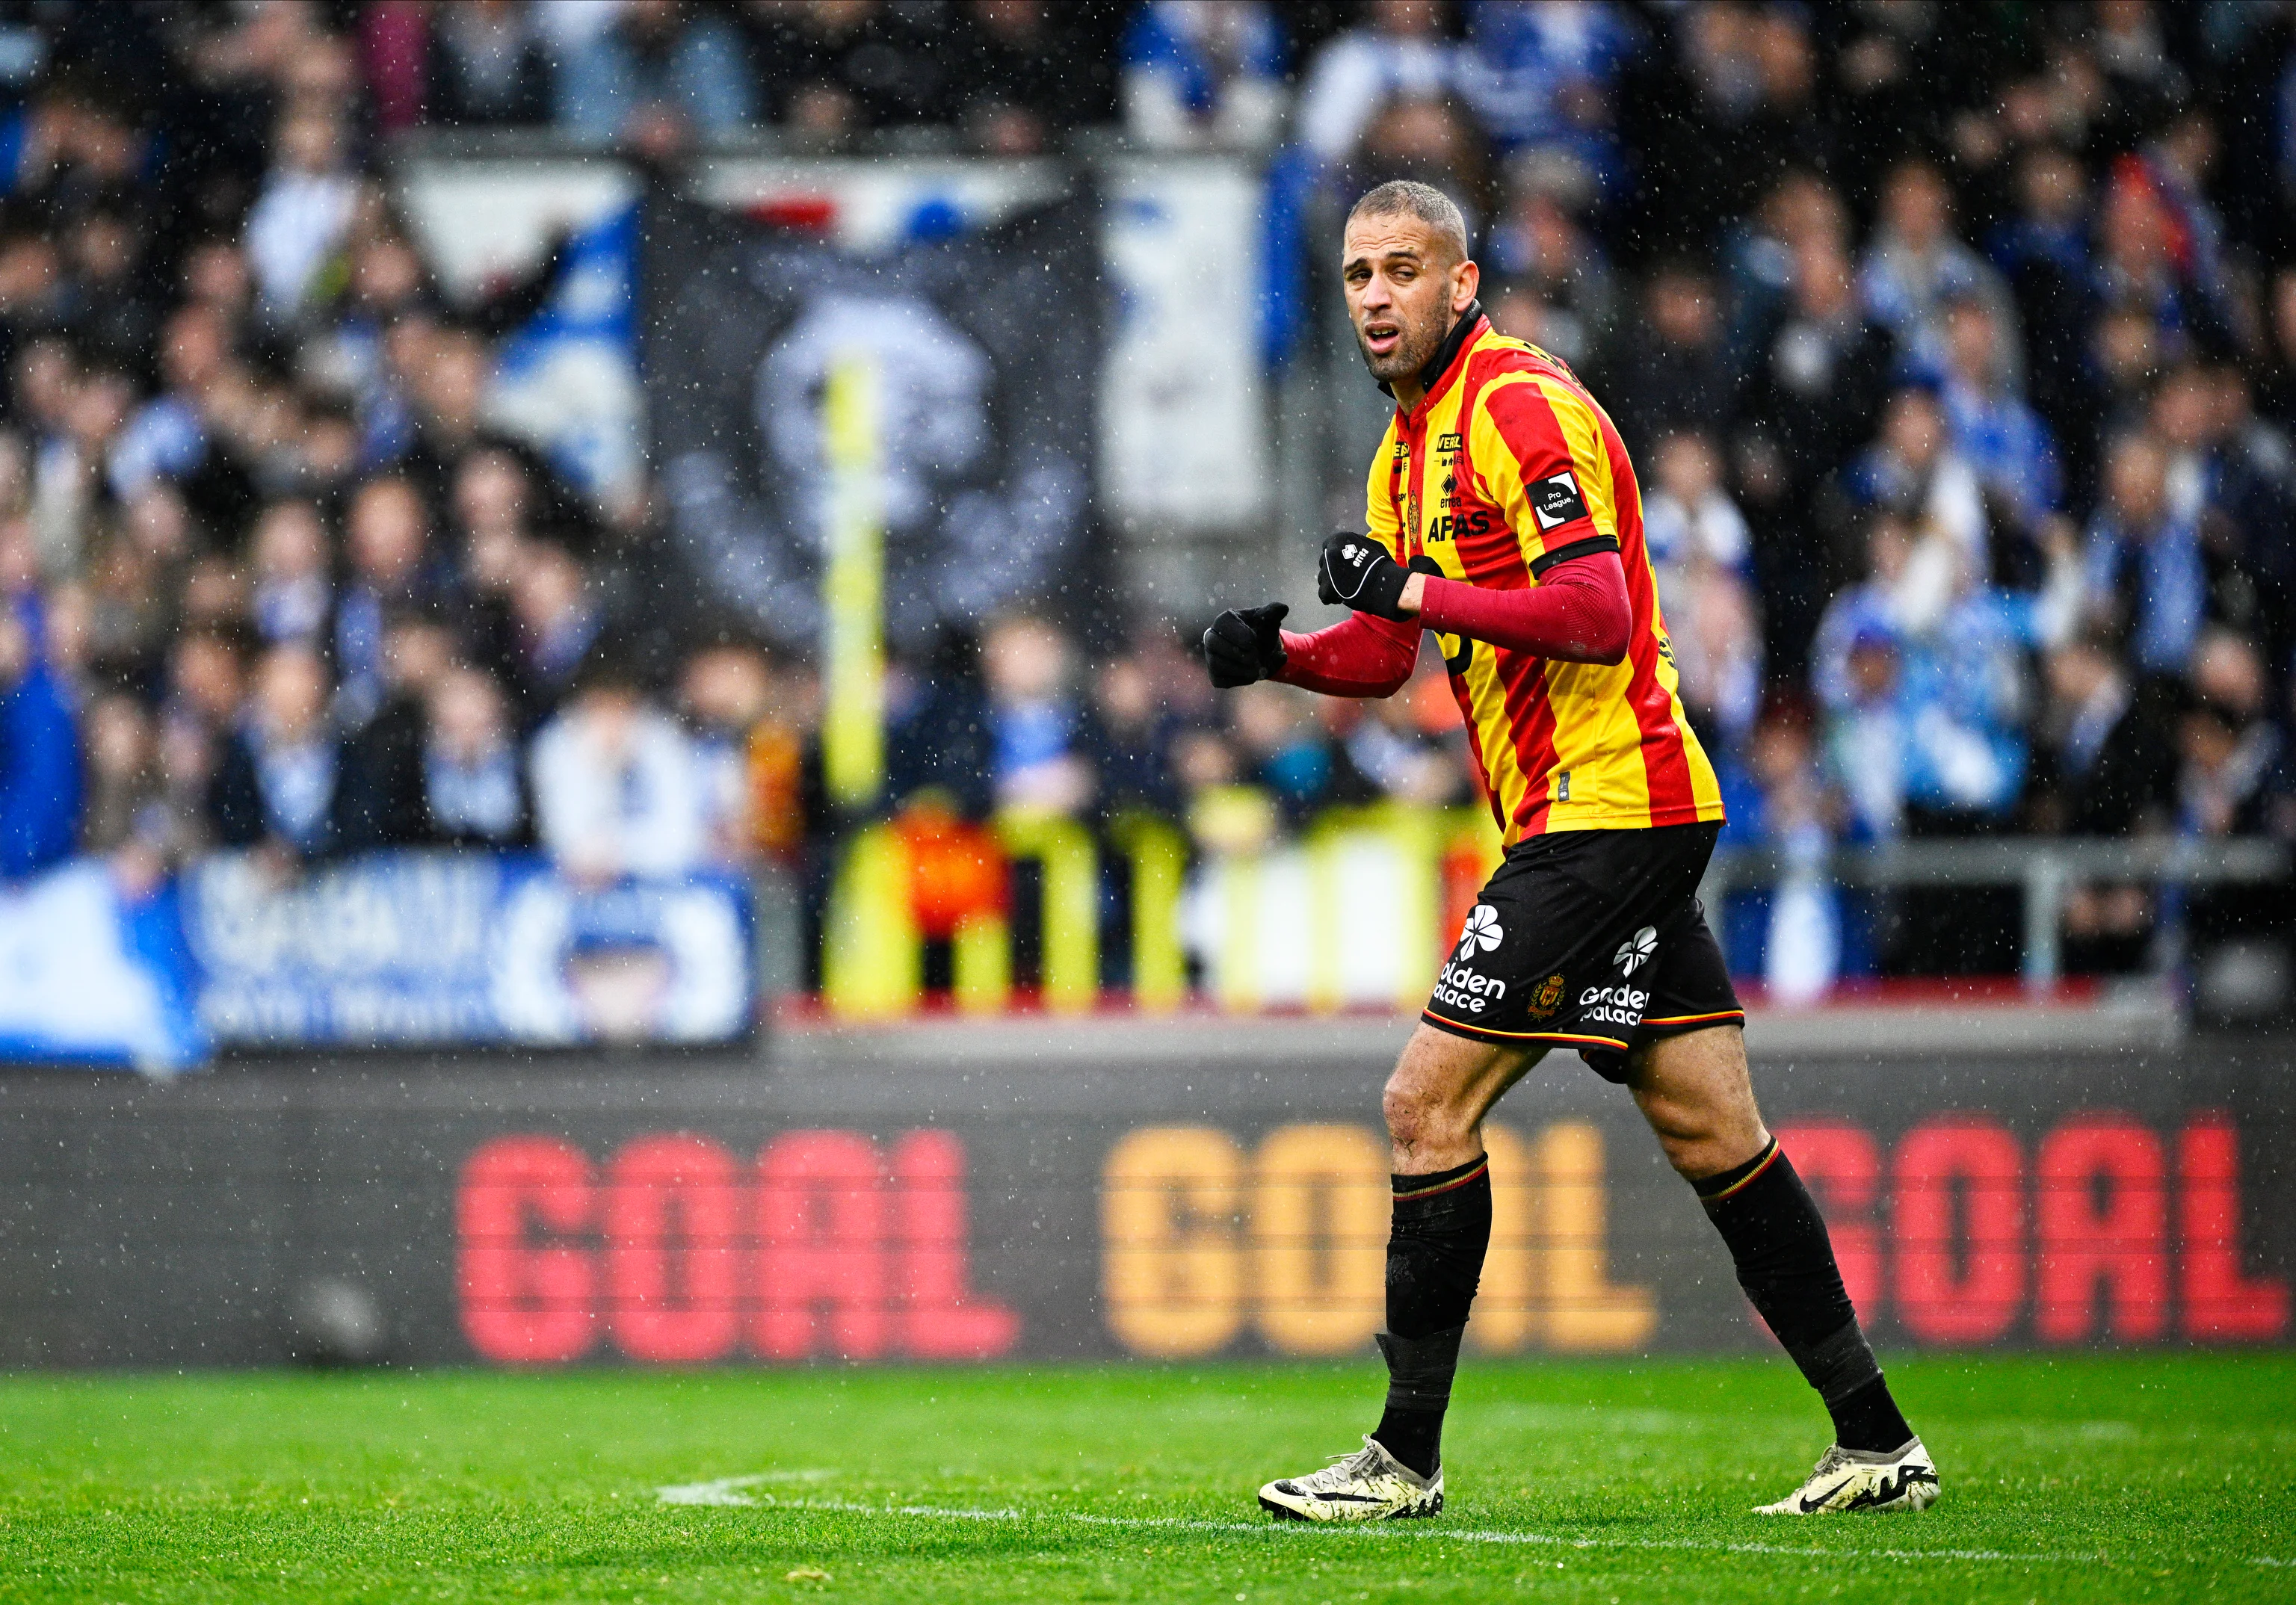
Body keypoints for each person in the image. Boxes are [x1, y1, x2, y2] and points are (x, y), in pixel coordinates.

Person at [1203, 180, 1933, 1523]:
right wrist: (1281, 659)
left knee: (1425, 1106)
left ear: (1463, 285)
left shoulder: (1519, 409)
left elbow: (1595, 614)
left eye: (1403, 271)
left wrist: (1411, 587)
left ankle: (1400, 1461)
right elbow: (1386, 651)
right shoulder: (1403, 449)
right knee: (1715, 1127)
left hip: (1615, 806)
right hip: (1591, 815)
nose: (1375, 296)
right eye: (1359, 274)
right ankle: (1878, 1442)